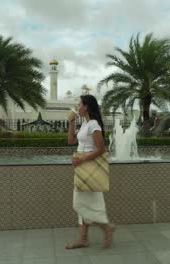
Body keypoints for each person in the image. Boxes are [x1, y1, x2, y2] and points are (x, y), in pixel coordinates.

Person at [65, 94, 115, 249]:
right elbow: (71, 141)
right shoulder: (85, 125)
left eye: (79, 104)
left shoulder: (93, 124)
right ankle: (83, 239)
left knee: (80, 203)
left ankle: (106, 228)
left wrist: (82, 159)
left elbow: (101, 149)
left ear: (86, 106)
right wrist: (72, 122)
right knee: (84, 205)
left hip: (89, 168)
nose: (77, 107)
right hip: (83, 169)